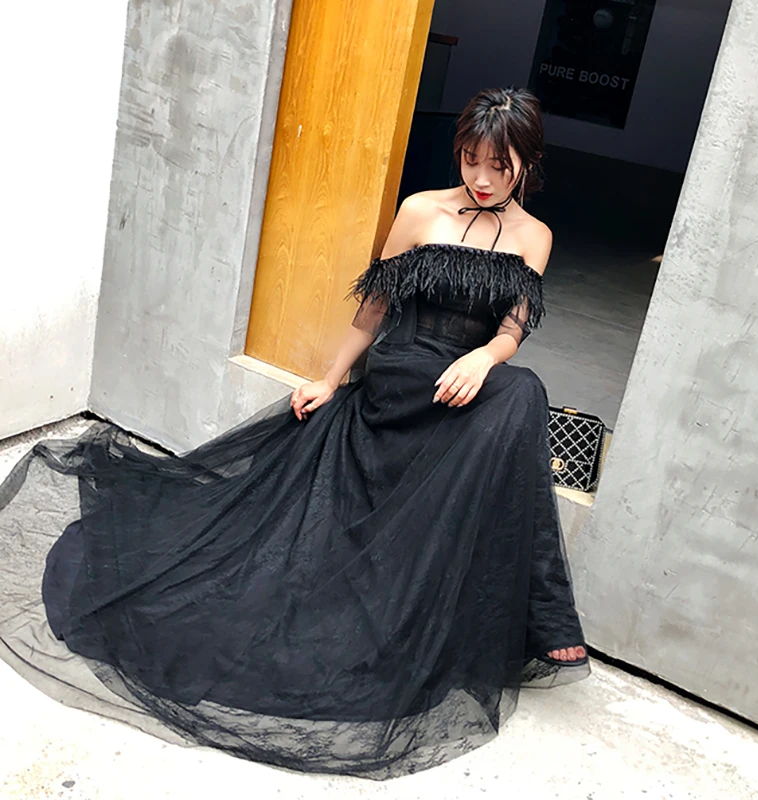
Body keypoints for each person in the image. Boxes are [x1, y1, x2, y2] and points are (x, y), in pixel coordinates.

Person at [0, 86, 589, 780]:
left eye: (499, 166)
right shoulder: (420, 210)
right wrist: (331, 378)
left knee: (522, 392)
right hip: (402, 376)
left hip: (463, 380)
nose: (482, 179)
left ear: (527, 164)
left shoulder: (535, 236)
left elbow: (512, 330)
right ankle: (549, 619)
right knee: (517, 401)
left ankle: (543, 613)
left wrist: (485, 356)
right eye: (471, 160)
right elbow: (375, 308)